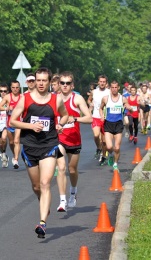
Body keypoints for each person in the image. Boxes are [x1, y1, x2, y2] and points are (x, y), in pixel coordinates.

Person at [9, 67, 68, 239]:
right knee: (36, 187)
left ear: (50, 82)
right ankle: (44, 202)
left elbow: (64, 116)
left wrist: (60, 124)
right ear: (34, 81)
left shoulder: (56, 100)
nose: (41, 83)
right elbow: (13, 120)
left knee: (45, 183)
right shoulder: (25, 99)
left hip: (49, 145)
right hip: (29, 147)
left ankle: (42, 223)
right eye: (38, 80)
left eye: (44, 80)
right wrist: (30, 126)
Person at [55, 72, 92, 212]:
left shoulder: (77, 99)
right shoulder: (55, 99)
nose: (65, 86)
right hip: (59, 139)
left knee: (72, 169)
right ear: (59, 84)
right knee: (61, 167)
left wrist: (75, 119)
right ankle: (62, 200)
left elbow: (89, 118)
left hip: (74, 139)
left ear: (72, 85)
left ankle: (73, 191)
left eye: (67, 83)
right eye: (62, 83)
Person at [99, 80, 129, 169]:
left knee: (117, 147)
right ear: (110, 88)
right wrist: (101, 115)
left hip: (118, 124)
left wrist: (129, 109)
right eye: (112, 87)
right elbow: (100, 108)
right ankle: (111, 155)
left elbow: (128, 107)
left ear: (118, 88)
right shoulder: (105, 98)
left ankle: (115, 164)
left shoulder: (123, 98)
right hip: (108, 124)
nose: (114, 89)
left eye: (116, 87)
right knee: (109, 146)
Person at [0, 80, 22, 169]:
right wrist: (7, 108)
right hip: (10, 123)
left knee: (16, 141)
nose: (15, 89)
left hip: (19, 123)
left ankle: (16, 160)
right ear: (10, 88)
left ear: (19, 88)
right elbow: (0, 107)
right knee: (11, 142)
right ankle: (14, 155)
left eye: (17, 87)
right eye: (13, 87)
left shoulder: (22, 97)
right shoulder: (8, 97)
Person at [90, 75, 110, 165]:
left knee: (104, 140)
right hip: (95, 116)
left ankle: (104, 155)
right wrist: (91, 104)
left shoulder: (109, 92)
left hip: (106, 118)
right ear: (98, 82)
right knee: (96, 135)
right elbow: (89, 100)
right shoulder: (94, 92)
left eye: (104, 82)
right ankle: (98, 147)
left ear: (106, 83)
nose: (102, 83)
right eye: (100, 81)